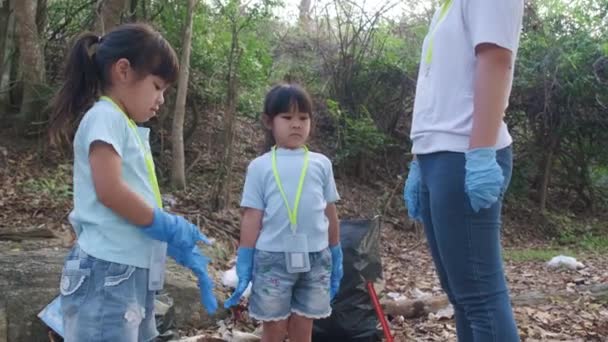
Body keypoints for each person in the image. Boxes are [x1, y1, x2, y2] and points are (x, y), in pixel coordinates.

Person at [47, 23, 217, 342]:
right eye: (157, 86)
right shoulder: (105, 117)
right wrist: (165, 224)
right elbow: (110, 190)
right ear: (123, 70)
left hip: (128, 270)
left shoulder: (122, 123)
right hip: (108, 269)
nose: (161, 99)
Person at [403, 0, 524, 341]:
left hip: (464, 155)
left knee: (481, 299)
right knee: (463, 299)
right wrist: (417, 161)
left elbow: (496, 61)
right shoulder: (446, 6)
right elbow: (439, 90)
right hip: (436, 156)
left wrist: (481, 153)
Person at [224, 84, 344, 342]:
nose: (296, 125)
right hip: (272, 259)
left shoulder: (321, 164)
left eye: (303, 118)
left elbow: (329, 210)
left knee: (304, 325)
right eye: (287, 118)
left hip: (316, 257)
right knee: (274, 327)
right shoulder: (260, 167)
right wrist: (245, 256)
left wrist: (336, 249)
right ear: (270, 121)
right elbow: (252, 215)